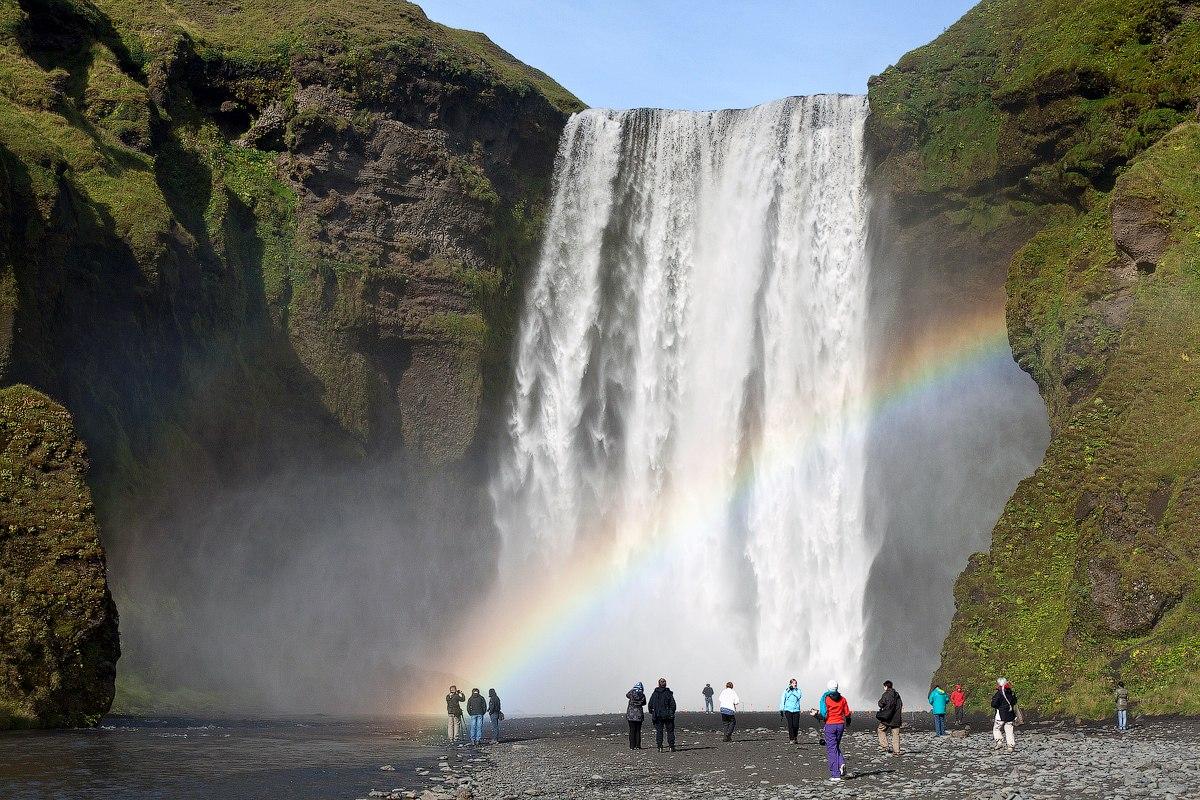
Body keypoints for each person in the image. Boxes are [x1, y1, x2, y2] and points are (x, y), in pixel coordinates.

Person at [820, 680, 852, 781]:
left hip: (830, 725)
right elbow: (847, 713)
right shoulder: (843, 699)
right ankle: (841, 763)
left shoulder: (826, 699)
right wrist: (848, 722)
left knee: (831, 749)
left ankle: (835, 774)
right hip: (840, 725)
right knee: (835, 746)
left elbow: (823, 713)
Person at [648, 678, 677, 752]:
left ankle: (660, 747)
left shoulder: (655, 693)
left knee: (659, 732)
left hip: (658, 716)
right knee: (670, 731)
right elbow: (673, 705)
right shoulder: (668, 693)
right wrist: (671, 712)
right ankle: (671, 746)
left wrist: (653, 712)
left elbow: (650, 705)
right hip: (667, 716)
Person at [990, 678, 1018, 752]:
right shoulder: (1011, 692)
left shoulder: (999, 693)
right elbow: (1015, 701)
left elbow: (993, 704)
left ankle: (999, 742)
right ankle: (1010, 746)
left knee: (996, 728)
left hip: (1001, 714)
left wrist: (998, 705)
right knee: (1009, 730)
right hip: (1010, 714)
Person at [876, 680, 902, 755]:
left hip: (887, 718)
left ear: (886, 686)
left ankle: (885, 746)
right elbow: (900, 705)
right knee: (895, 734)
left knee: (880, 729)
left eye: (884, 686)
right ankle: (896, 751)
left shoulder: (886, 694)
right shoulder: (897, 695)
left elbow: (880, 704)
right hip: (896, 718)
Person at [779, 678, 803, 744]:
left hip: (796, 710)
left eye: (795, 683)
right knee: (790, 725)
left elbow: (799, 696)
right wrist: (781, 709)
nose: (795, 684)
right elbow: (783, 699)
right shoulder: (786, 691)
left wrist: (793, 691)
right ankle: (791, 739)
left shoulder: (798, 690)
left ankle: (795, 737)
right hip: (788, 710)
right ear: (790, 684)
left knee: (796, 725)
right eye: (793, 683)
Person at [626, 682, 647, 749]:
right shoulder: (642, 695)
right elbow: (644, 703)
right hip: (639, 715)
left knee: (632, 730)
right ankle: (638, 745)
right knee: (638, 730)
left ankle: (632, 746)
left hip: (631, 715)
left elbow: (627, 695)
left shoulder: (631, 693)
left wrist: (633, 690)